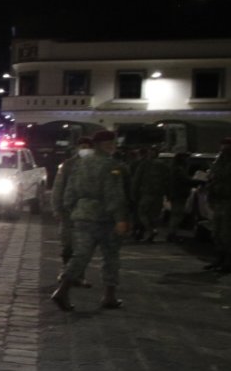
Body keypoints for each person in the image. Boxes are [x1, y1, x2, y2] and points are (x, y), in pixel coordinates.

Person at [52, 130, 130, 311]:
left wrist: (73, 210)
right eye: (112, 144)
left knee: (80, 255)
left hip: (82, 214)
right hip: (105, 217)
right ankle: (109, 296)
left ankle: (62, 290)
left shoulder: (80, 164)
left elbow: (69, 192)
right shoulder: (111, 165)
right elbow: (114, 195)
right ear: (107, 145)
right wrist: (120, 218)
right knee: (110, 257)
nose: (114, 147)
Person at [51, 136, 93, 285]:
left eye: (87, 147)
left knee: (83, 247)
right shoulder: (68, 165)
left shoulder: (95, 164)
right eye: (82, 146)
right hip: (68, 211)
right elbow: (58, 187)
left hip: (88, 212)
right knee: (67, 244)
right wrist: (57, 208)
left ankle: (80, 275)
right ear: (77, 148)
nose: (85, 149)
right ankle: (65, 271)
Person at [204, 138, 231, 274]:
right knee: (216, 233)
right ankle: (219, 259)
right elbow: (212, 181)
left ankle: (228, 262)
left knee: (227, 235)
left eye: (227, 148)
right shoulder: (218, 164)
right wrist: (210, 196)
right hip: (218, 202)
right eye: (222, 148)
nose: (223, 151)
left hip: (230, 203)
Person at [130, 146, 170, 242]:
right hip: (159, 194)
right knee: (154, 215)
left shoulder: (144, 164)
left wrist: (133, 193)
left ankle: (151, 230)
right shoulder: (162, 165)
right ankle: (153, 230)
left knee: (142, 213)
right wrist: (168, 193)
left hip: (146, 193)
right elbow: (168, 179)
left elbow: (137, 180)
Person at [164, 151, 192, 242]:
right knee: (177, 215)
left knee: (176, 215)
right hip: (178, 195)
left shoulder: (175, 169)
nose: (188, 160)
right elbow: (185, 180)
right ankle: (172, 234)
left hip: (176, 194)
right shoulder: (178, 170)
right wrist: (198, 181)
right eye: (186, 158)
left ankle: (172, 233)